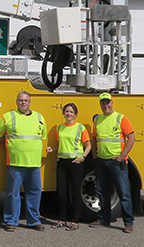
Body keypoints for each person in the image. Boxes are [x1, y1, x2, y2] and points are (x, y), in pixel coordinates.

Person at [0, 91, 47, 232]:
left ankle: (34, 220)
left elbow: (42, 137)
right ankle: (11, 221)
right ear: (16, 102)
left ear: (30, 102)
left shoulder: (39, 117)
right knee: (13, 193)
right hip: (15, 163)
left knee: (35, 192)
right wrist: (10, 147)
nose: (23, 103)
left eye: (26, 100)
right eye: (20, 100)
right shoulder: (7, 117)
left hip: (34, 163)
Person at [89, 92, 135, 233]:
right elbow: (95, 140)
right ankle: (103, 219)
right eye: (103, 102)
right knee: (102, 192)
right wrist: (95, 155)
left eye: (108, 102)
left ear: (112, 103)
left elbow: (131, 138)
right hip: (101, 161)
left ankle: (128, 223)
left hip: (116, 162)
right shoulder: (98, 120)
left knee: (124, 193)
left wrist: (122, 156)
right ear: (100, 104)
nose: (106, 105)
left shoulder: (121, 118)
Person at [45, 103, 91, 231]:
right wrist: (52, 149)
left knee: (75, 193)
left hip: (75, 164)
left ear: (75, 114)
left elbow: (88, 145)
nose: (69, 114)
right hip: (62, 163)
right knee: (61, 193)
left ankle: (75, 221)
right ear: (63, 113)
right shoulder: (59, 128)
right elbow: (61, 146)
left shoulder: (80, 128)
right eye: (67, 111)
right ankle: (62, 219)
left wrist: (82, 157)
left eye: (71, 112)